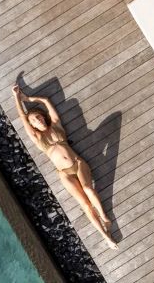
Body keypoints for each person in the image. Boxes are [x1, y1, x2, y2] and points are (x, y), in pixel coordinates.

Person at [11, 85, 117, 249]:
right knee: (85, 205)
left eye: (39, 116)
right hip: (64, 173)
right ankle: (105, 237)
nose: (38, 120)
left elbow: (46, 101)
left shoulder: (56, 125)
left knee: (88, 188)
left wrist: (28, 98)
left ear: (43, 117)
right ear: (32, 125)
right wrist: (16, 98)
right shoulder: (37, 138)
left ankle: (105, 217)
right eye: (34, 120)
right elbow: (21, 117)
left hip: (77, 163)